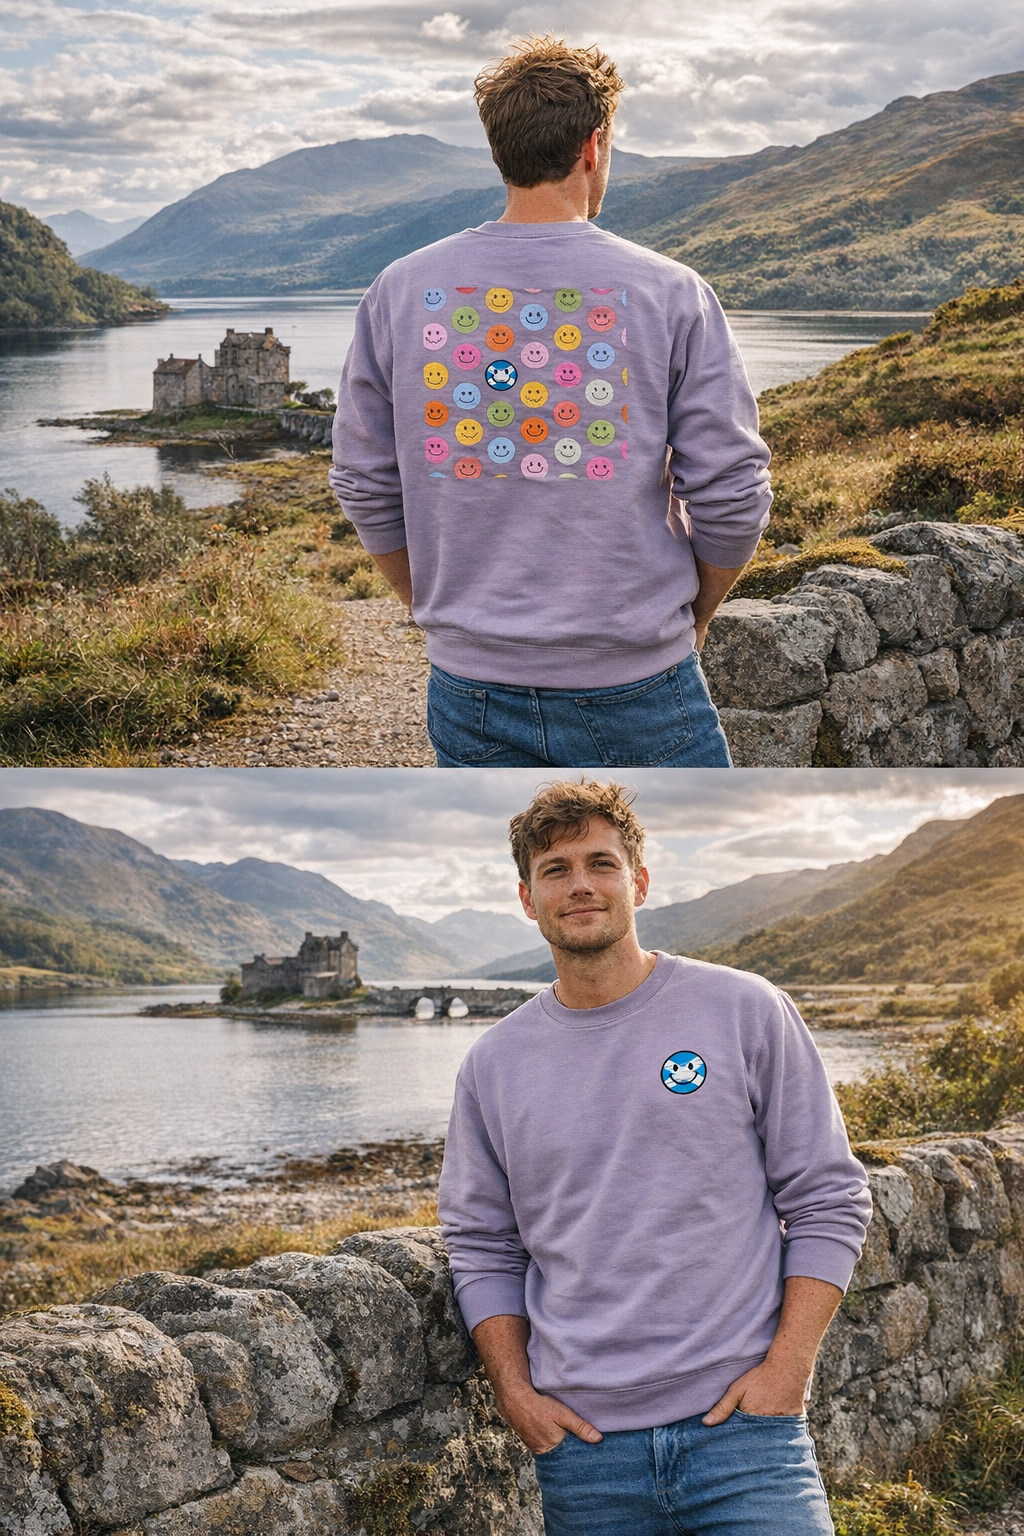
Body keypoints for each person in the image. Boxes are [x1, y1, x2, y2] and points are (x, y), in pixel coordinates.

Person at [438, 779, 871, 1535]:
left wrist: (789, 1369)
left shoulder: (744, 1009)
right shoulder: (492, 1064)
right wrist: (515, 1392)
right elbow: (481, 1243)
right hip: (585, 1453)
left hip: (746, 1435)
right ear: (526, 897)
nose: (580, 885)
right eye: (556, 869)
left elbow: (828, 1196)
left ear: (637, 881)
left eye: (600, 864)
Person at [329, 37, 773, 768]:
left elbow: (363, 477)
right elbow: (730, 489)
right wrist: (694, 616)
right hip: (637, 681)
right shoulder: (671, 291)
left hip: (466, 683)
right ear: (592, 147)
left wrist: (433, 609)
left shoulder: (400, 290)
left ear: (500, 148)